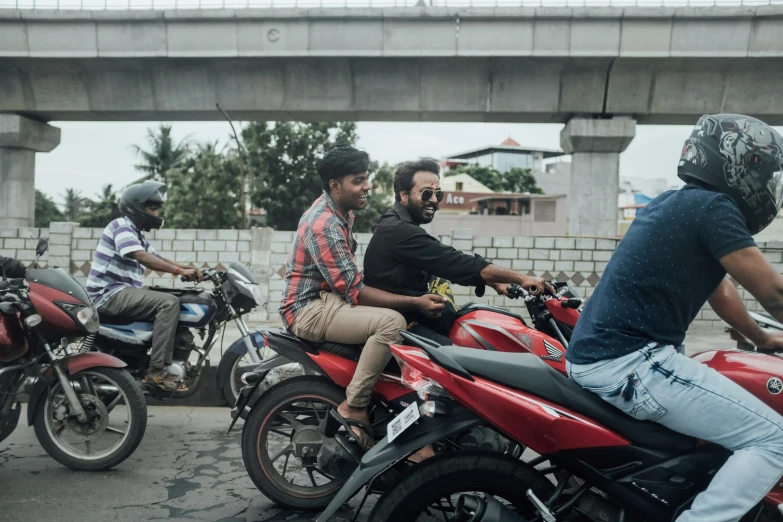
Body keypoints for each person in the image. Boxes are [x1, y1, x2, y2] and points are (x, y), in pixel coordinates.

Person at [566, 114, 783, 522]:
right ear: (737, 165)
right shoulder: (715, 208)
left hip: (605, 356)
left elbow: (720, 289)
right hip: (631, 361)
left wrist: (762, 338)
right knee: (775, 440)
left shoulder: (677, 201)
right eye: (762, 171)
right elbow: (775, 293)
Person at [279, 146, 446, 448]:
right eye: (358, 180)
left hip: (328, 300)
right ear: (335, 185)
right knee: (392, 324)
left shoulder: (342, 212)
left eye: (366, 178)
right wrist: (415, 302)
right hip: (308, 309)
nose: (367, 186)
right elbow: (354, 291)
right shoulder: (325, 225)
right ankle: (354, 404)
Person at [363, 159, 550, 346]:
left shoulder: (403, 226)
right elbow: (454, 262)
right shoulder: (398, 230)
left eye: (438, 194)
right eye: (426, 193)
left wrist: (494, 282)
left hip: (422, 321)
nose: (434, 200)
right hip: (405, 324)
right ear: (403, 195)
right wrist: (522, 278)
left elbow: (440, 264)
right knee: (457, 359)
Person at [85, 180, 202, 392]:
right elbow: (142, 257)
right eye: (152, 208)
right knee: (168, 304)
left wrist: (189, 268)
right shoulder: (120, 226)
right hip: (107, 294)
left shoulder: (136, 233)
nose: (156, 214)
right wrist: (179, 271)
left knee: (171, 298)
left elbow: (157, 257)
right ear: (136, 207)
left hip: (122, 292)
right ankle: (157, 371)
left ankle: (148, 360)